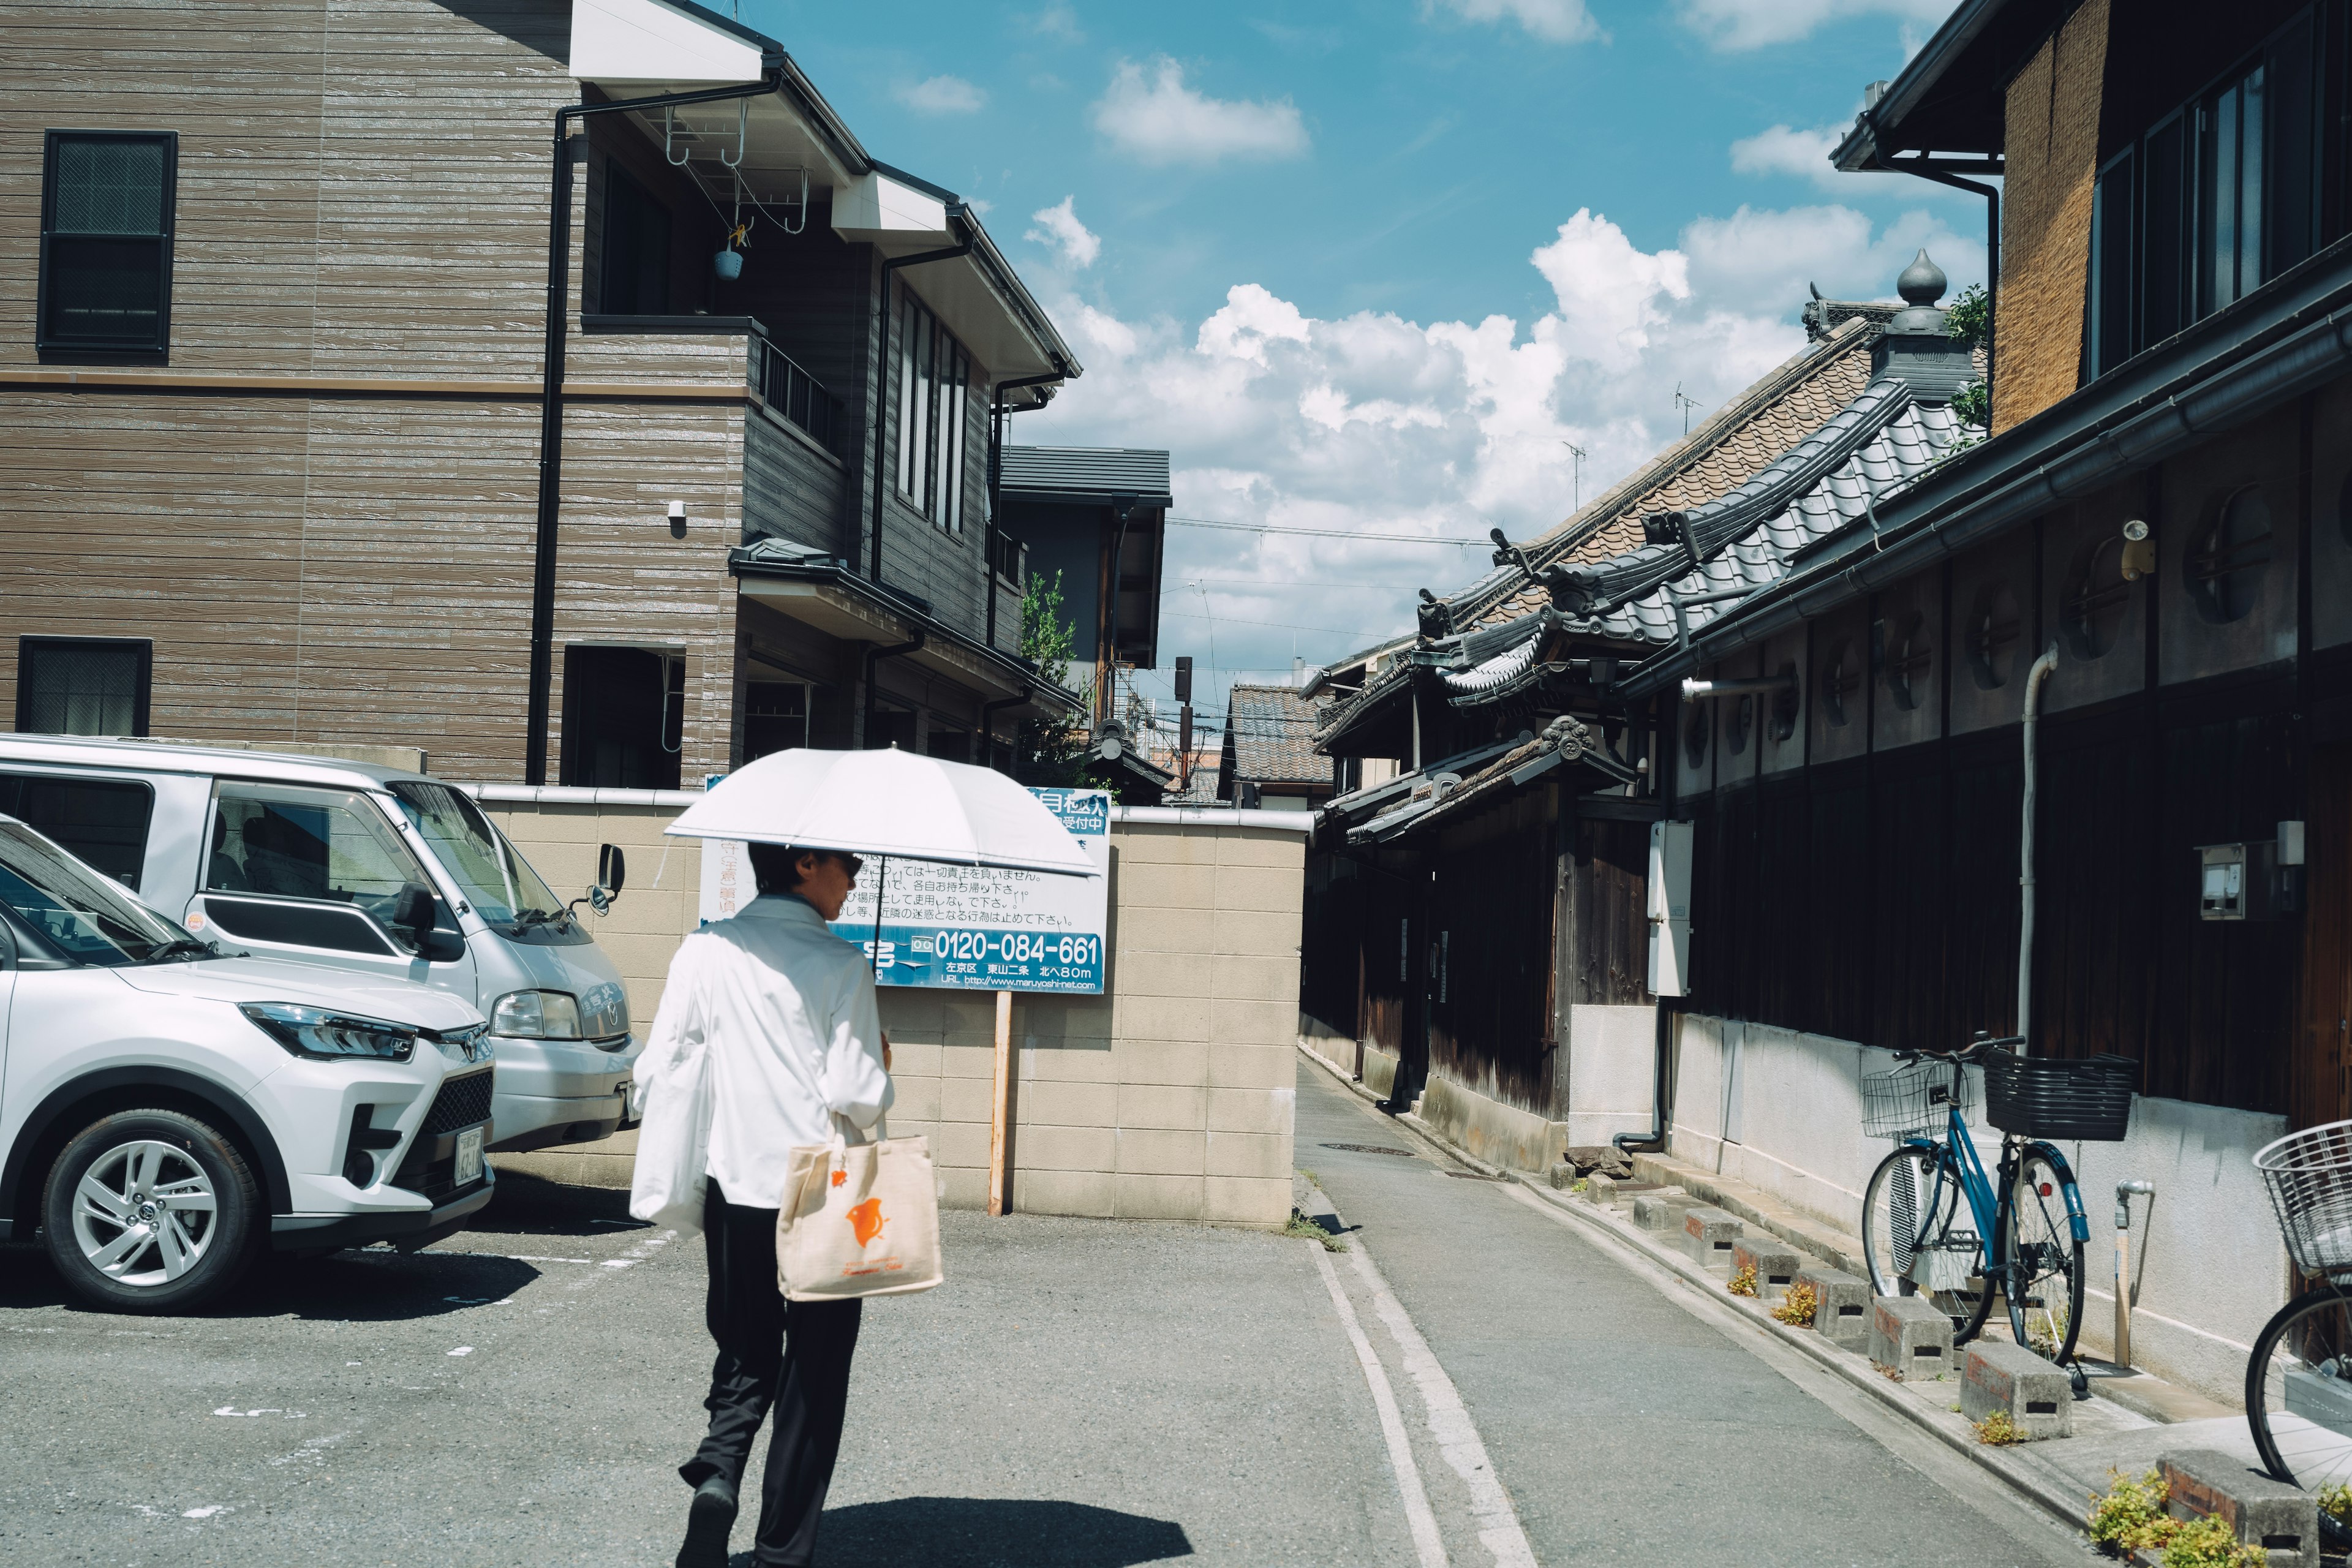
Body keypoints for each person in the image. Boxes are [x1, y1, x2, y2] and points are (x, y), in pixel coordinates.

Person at [647, 842, 894, 1568]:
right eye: (848, 862)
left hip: (736, 1187)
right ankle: (780, 1550)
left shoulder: (706, 950)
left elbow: (665, 1059)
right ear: (805, 863)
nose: (856, 876)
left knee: (747, 1347)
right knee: (815, 1369)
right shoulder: (842, 964)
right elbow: (859, 1093)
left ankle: (718, 1472)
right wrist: (881, 1060)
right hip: (820, 1192)